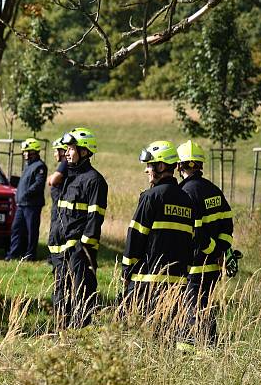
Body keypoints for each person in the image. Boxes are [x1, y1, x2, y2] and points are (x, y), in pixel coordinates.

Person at [121, 141, 199, 328]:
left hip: (146, 282)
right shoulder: (186, 199)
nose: (146, 170)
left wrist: (126, 271)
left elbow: (136, 235)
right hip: (177, 282)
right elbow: (191, 241)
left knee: (138, 333)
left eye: (149, 165)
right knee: (168, 335)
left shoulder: (151, 197)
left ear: (161, 166)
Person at [177, 140, 238, 345]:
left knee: (192, 307)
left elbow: (195, 232)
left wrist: (211, 250)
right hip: (213, 265)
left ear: (179, 166)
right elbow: (227, 225)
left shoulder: (184, 193)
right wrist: (221, 251)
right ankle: (211, 343)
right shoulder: (214, 190)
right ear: (200, 165)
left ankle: (195, 347)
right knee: (207, 305)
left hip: (195, 264)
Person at [48, 127, 108, 329]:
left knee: (81, 294)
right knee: (60, 295)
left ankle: (79, 336)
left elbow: (94, 219)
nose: (67, 153)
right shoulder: (69, 179)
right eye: (66, 149)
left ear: (84, 151)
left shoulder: (94, 180)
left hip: (78, 253)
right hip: (60, 252)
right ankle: (61, 333)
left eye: (71, 149)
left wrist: (83, 250)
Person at [5, 138, 47, 261]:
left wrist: (26, 194)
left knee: (31, 231)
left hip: (32, 205)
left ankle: (30, 255)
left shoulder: (40, 166)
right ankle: (13, 254)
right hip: (21, 205)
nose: (25, 154)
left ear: (35, 152)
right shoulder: (28, 166)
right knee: (16, 229)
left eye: (28, 151)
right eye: (24, 152)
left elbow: (38, 184)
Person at [46, 136, 68, 261]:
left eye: (56, 151)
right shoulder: (63, 165)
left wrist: (51, 178)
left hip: (59, 206)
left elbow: (52, 180)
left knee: (55, 231)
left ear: (63, 151)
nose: (55, 154)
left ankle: (53, 259)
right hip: (57, 204)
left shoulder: (64, 164)